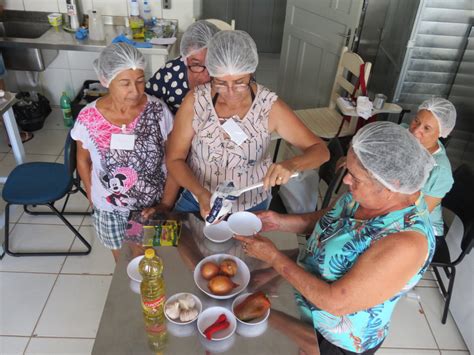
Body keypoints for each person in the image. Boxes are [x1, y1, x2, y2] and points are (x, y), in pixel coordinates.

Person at [235, 122, 436, 354]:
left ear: (392, 186)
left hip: (334, 338)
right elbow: (331, 218)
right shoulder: (370, 195)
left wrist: (274, 258)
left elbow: (335, 302)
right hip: (304, 301)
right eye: (348, 171)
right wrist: (280, 221)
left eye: (356, 178)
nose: (347, 180)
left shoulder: (406, 243)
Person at [166, 30, 329, 219]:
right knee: (178, 245)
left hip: (251, 205)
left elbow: (321, 151)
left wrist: (291, 165)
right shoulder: (196, 101)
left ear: (251, 71)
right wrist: (202, 194)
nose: (230, 92)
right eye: (220, 82)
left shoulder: (268, 107)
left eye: (239, 82)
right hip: (197, 199)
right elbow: (175, 159)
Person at [72, 43, 179, 261]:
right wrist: (93, 196)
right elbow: (83, 161)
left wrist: (166, 203)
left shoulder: (157, 111)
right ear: (106, 80)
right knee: (125, 264)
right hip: (110, 209)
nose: (136, 90)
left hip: (152, 206)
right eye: (125, 83)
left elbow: (174, 160)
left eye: (140, 81)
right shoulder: (88, 118)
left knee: (155, 261)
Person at [145, 20, 220, 114]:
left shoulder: (226, 77)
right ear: (185, 59)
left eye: (212, 64)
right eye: (196, 64)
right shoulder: (169, 74)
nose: (206, 77)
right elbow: (146, 104)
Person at [407, 97, 456, 237]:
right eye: (416, 120)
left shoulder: (439, 171)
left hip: (421, 227)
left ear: (441, 133)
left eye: (427, 128)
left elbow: (417, 215)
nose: (416, 130)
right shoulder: (407, 133)